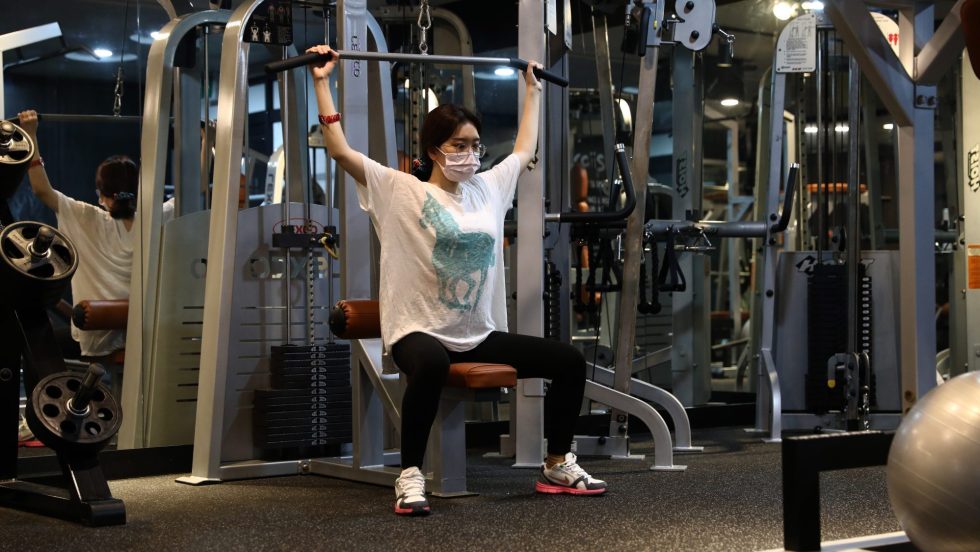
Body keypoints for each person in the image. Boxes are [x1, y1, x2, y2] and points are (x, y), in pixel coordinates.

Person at [308, 45, 607, 517]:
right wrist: (322, 81)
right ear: (434, 151)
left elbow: (525, 149)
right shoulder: (401, 189)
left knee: (568, 360)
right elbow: (341, 150)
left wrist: (532, 90)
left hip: (476, 333)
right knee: (427, 365)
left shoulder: (487, 188)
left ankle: (556, 463)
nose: (469, 154)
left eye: (474, 145)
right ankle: (409, 475)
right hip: (417, 329)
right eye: (459, 146)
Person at [16, 110, 171, 359]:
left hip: (98, 337)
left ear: (101, 192)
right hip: (147, 334)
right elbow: (194, 188)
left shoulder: (89, 217)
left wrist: (31, 134)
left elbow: (41, 190)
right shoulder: (156, 218)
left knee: (36, 346)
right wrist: (209, 144)